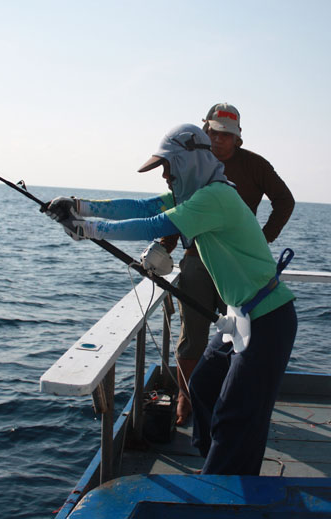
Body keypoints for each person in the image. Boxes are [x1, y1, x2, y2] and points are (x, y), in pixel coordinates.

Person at [44, 124, 297, 476]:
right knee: (204, 386)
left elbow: (154, 224)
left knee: (236, 415)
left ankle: (226, 490)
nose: (164, 175)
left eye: (168, 166)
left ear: (189, 161)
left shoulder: (215, 198)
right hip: (241, 318)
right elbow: (141, 205)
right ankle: (217, 468)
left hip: (268, 319)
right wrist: (79, 206)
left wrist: (89, 229)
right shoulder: (199, 194)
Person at [164, 103, 295, 426]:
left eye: (226, 135)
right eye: (212, 132)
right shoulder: (191, 162)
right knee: (192, 335)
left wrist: (264, 239)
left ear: (238, 139)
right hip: (196, 260)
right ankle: (186, 396)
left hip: (237, 269)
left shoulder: (255, 165)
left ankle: (230, 396)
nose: (218, 139)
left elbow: (284, 200)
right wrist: (164, 248)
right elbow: (174, 210)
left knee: (239, 336)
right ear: (203, 131)